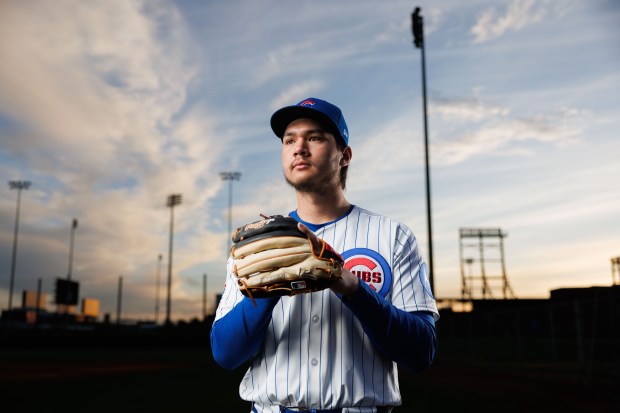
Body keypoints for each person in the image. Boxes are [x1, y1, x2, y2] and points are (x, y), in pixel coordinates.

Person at [211, 97, 439, 413]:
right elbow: (225, 353)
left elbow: (421, 352)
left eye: (315, 137)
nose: (299, 148)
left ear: (344, 156)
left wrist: (352, 288)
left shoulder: (393, 236)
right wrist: (268, 291)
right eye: (289, 140)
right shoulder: (257, 244)